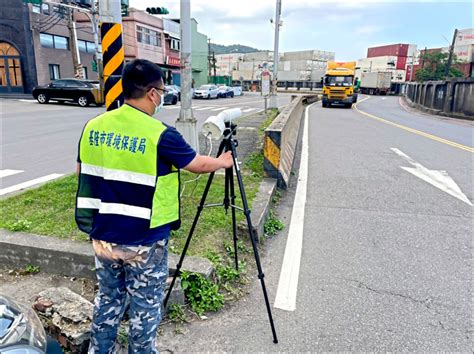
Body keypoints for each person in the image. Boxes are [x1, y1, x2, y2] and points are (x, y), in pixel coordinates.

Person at [75, 59, 233, 353]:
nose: (161, 96)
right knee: (144, 306)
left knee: (108, 298)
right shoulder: (159, 134)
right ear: (151, 93)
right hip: (144, 240)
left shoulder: (93, 127)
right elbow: (196, 164)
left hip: (103, 234)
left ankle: (100, 350)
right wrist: (223, 161)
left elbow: (81, 171)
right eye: (161, 90)